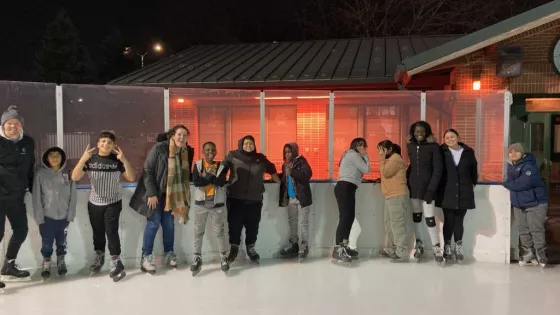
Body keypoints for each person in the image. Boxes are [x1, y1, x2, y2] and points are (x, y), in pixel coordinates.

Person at [71, 131, 135, 282]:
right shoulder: (90, 159)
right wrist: (83, 159)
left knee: (111, 231)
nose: (106, 144)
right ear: (98, 144)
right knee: (98, 232)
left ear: (113, 146)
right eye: (103, 141)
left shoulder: (116, 160)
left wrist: (124, 159)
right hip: (94, 203)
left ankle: (115, 261)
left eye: (109, 142)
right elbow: (74, 177)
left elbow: (131, 177)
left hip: (113, 202)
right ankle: (99, 257)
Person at [130, 125, 193, 273]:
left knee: (169, 224)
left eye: (184, 135)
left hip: (171, 195)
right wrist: (151, 194)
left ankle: (169, 252)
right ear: (172, 135)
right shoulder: (160, 148)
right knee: (153, 223)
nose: (182, 138)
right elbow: (148, 170)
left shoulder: (185, 152)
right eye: (179, 134)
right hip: (156, 194)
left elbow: (185, 174)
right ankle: (146, 257)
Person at [223, 135, 281, 264]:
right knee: (234, 225)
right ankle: (234, 248)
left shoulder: (260, 158)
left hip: (254, 199)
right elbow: (222, 168)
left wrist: (280, 182)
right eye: (246, 143)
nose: (248, 146)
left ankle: (251, 248)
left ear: (254, 145)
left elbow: (272, 169)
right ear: (241, 144)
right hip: (235, 198)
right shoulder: (233, 155)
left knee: (253, 226)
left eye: (251, 143)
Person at [0, 105, 35, 286]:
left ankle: (9, 265)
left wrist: (31, 188)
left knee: (21, 230)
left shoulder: (28, 143)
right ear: (2, 125)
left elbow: (30, 168)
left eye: (16, 123)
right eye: (9, 123)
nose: (12, 126)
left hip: (17, 196)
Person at [32, 147, 77, 278]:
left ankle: (61, 260)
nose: (55, 158)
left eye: (57, 155)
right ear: (47, 158)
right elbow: (36, 197)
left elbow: (73, 195)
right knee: (46, 242)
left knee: (62, 241)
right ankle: (46, 261)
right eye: (51, 155)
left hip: (64, 216)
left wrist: (70, 214)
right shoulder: (40, 174)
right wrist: (39, 217)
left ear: (62, 158)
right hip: (47, 217)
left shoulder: (69, 173)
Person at [436, 129, 478, 264]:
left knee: (459, 220)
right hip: (446, 191)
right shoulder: (441, 152)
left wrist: (472, 183)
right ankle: (447, 247)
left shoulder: (468, 152)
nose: (450, 139)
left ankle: (458, 247)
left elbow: (473, 169)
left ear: (458, 137)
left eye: (452, 137)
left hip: (464, 191)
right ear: (444, 139)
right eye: (447, 137)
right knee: (448, 220)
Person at [504, 143, 548, 268]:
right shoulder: (511, 167)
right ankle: (529, 253)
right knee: (523, 230)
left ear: (522, 153)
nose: (513, 153)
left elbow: (522, 184)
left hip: (536, 203)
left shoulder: (529, 166)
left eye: (516, 151)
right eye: (511, 151)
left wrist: (506, 183)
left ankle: (541, 254)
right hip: (519, 204)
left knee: (536, 229)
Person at [406, 121, 444, 263]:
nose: (419, 134)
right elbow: (412, 166)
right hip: (413, 188)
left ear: (427, 132)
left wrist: (431, 189)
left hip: (428, 190)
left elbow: (438, 170)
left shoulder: (434, 147)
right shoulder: (410, 145)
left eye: (422, 131)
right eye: (417, 131)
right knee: (416, 217)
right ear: (413, 132)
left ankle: (436, 247)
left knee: (429, 218)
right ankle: (419, 244)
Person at [190, 141, 230, 275]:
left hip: (216, 204)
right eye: (207, 150)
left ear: (216, 151)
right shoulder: (198, 164)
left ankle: (223, 257)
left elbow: (221, 182)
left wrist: (207, 178)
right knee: (198, 231)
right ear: (203, 151)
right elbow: (196, 182)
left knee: (219, 231)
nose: (210, 152)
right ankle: (197, 257)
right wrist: (211, 176)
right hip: (201, 204)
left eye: (213, 150)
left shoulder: (221, 166)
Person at [333, 138, 370, 263]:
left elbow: (354, 171)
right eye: (361, 145)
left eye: (364, 146)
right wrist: (364, 154)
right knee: (344, 217)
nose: (363, 148)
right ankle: (338, 248)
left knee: (350, 217)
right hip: (345, 187)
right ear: (354, 145)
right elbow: (367, 169)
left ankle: (344, 246)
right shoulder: (353, 154)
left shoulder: (349, 155)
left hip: (348, 187)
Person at [277, 142, 313, 262]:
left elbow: (307, 174)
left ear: (294, 151)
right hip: (291, 198)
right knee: (292, 222)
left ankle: (304, 245)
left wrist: (292, 172)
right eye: (285, 152)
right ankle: (294, 244)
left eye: (289, 151)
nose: (287, 154)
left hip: (302, 198)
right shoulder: (285, 165)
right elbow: (284, 178)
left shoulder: (301, 161)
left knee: (303, 223)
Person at [377, 140, 408, 262]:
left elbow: (385, 171)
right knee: (388, 224)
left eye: (381, 150)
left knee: (397, 224)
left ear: (389, 149)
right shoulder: (390, 160)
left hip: (397, 194)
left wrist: (381, 157)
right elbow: (386, 174)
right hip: (390, 195)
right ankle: (391, 248)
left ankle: (400, 250)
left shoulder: (395, 158)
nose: (379, 153)